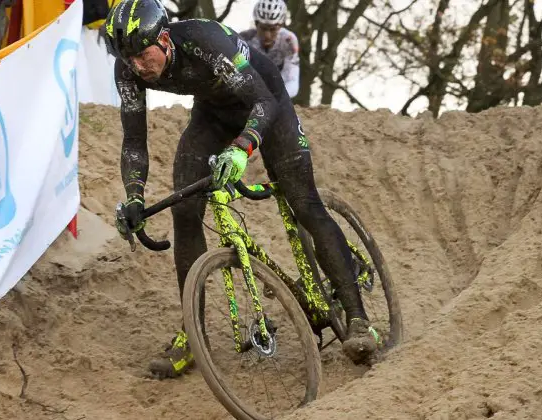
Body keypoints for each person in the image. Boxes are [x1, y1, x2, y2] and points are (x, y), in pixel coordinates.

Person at [104, 0, 379, 379]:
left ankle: (359, 320)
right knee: (184, 211)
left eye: (142, 54)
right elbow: (134, 140)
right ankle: (192, 335)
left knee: (304, 203)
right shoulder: (128, 68)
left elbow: (263, 102)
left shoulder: (204, 42)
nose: (137, 65)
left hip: (268, 105)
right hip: (213, 114)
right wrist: (134, 195)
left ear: (164, 38)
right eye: (127, 58)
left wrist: (242, 147)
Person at [238, 0, 299, 99]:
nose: (267, 35)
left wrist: (278, 97)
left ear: (281, 26)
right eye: (263, 28)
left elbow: (292, 78)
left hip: (279, 86)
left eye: (273, 29)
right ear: (256, 24)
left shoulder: (289, 40)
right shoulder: (243, 39)